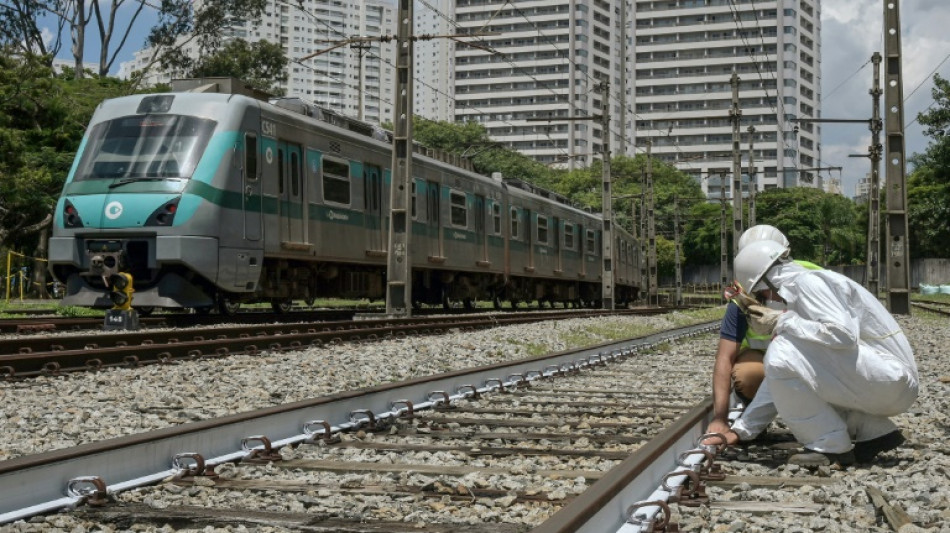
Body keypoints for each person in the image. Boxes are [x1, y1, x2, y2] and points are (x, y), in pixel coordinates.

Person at [731, 240, 918, 467]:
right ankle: (872, 430)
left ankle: (830, 445)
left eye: (761, 294)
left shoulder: (808, 283)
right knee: (793, 362)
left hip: (892, 379)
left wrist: (783, 321)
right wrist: (743, 430)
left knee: (781, 349)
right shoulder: (804, 289)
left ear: (768, 281)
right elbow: (777, 378)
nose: (767, 300)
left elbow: (843, 335)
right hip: (890, 381)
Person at [705, 225, 821, 446]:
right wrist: (720, 418)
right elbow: (725, 357)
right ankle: (756, 415)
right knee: (749, 374)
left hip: (809, 356)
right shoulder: (743, 297)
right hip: (763, 359)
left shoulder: (812, 278)